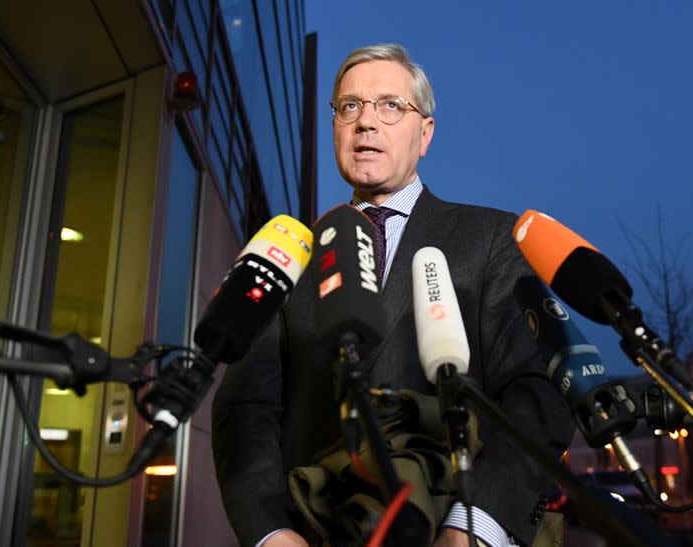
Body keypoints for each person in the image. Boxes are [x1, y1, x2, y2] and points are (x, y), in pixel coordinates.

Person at [212, 44, 575, 547]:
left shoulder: (490, 238)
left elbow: (538, 392)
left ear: (425, 133)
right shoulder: (290, 254)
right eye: (349, 107)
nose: (366, 123)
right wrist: (271, 533)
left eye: (389, 105)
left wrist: (477, 526)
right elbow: (246, 407)